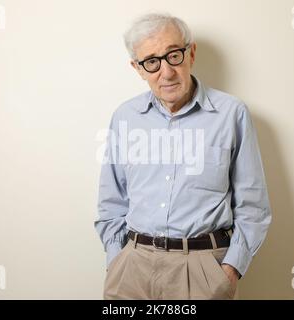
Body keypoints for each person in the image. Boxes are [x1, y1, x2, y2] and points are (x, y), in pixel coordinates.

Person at [94, 13, 272, 300]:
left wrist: (230, 269)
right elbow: (111, 201)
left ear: (191, 52)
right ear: (138, 69)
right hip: (132, 269)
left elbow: (253, 206)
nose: (165, 72)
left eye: (173, 55)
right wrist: (117, 261)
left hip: (203, 270)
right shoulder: (125, 117)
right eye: (151, 62)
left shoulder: (231, 114)